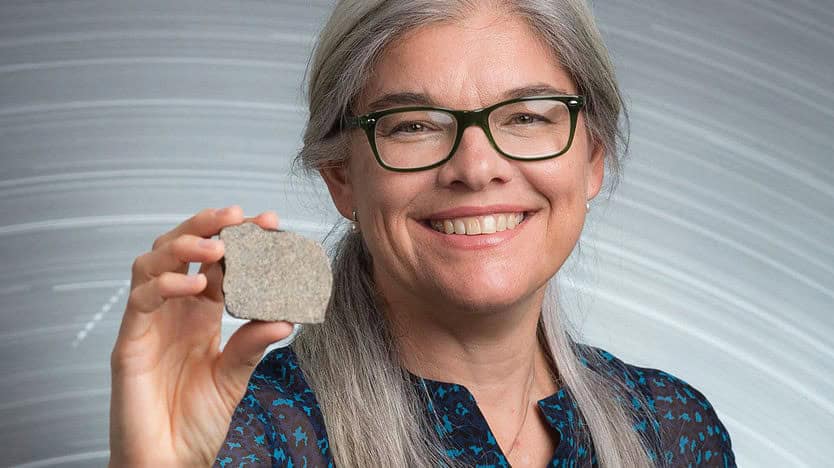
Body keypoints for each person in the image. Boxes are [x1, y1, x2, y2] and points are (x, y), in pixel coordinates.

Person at [109, 0, 737, 467]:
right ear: (341, 176)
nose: (476, 167)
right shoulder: (253, 435)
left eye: (525, 116)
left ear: (591, 156)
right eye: (413, 125)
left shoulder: (673, 430)